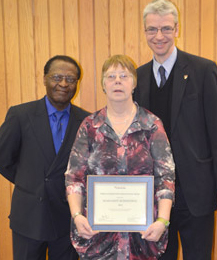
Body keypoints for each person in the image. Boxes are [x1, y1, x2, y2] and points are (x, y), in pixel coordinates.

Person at [65, 54, 175, 260]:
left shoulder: (152, 125)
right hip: (98, 237)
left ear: (134, 83)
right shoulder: (90, 126)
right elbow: (74, 177)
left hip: (143, 237)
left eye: (124, 76)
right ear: (103, 85)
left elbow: (166, 178)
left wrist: (163, 220)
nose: (117, 80)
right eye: (111, 76)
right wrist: (77, 215)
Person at [133, 0, 217, 259]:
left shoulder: (204, 70)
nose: (159, 36)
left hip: (196, 193)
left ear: (177, 29)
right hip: (154, 198)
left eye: (166, 29)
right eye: (152, 29)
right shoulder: (138, 77)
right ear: (145, 32)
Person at [0, 55, 90, 260]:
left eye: (71, 79)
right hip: (29, 217)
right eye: (57, 77)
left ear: (77, 82)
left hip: (68, 217)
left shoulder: (86, 121)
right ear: (44, 79)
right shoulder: (20, 115)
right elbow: (3, 159)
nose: (64, 84)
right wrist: (29, 181)